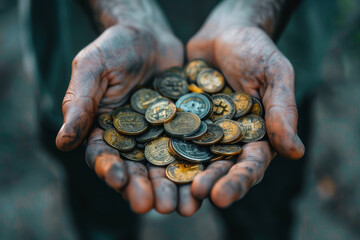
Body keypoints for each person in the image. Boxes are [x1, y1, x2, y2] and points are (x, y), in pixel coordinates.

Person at [20, 0, 360, 239]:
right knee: (100, 211)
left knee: (263, 219)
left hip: (260, 67)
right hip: (96, 62)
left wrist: (257, 9)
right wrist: (120, 8)